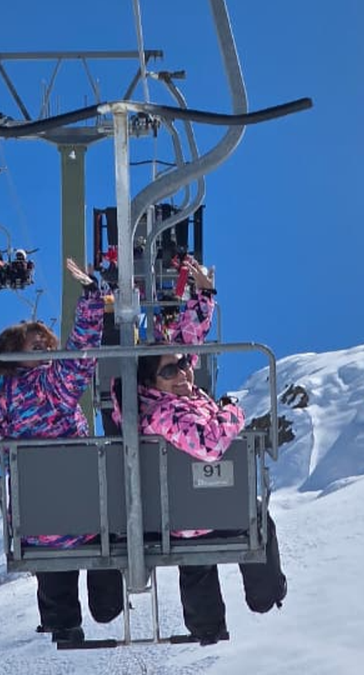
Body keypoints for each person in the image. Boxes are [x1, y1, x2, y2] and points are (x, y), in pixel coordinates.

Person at [111, 257, 286, 646]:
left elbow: (186, 345)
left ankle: (207, 625)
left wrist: (204, 295)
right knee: (255, 518)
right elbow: (209, 445)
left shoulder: (165, 400)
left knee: (196, 559)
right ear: (151, 383)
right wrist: (231, 411)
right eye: (169, 371)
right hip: (198, 514)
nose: (183, 374)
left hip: (181, 517)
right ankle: (265, 593)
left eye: (183, 367)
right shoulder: (165, 412)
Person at [0, 258, 122, 645]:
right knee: (105, 544)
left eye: (48, 346)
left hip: (38, 519)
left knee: (53, 564)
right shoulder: (49, 383)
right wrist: (92, 299)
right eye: (38, 345)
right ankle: (105, 604)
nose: (47, 350)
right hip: (85, 504)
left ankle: (62, 622)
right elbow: (81, 354)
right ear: (14, 352)